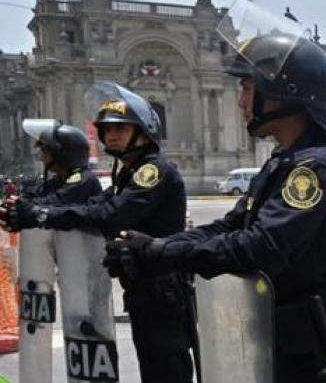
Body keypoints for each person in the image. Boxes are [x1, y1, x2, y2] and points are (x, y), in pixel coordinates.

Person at [101, 0, 326, 383]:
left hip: (308, 352)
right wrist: (157, 247)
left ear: (282, 91)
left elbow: (261, 246)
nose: (240, 100)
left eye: (248, 88)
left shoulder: (314, 169)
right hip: (277, 339)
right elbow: (230, 226)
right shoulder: (284, 162)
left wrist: (163, 252)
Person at [1, 83, 195, 383]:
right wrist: (34, 212)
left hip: (162, 289)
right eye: (106, 130)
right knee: (153, 366)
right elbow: (92, 204)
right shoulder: (127, 172)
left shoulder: (153, 170)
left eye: (120, 128)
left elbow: (112, 214)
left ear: (143, 132)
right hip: (144, 286)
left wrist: (41, 214)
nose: (111, 135)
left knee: (166, 369)